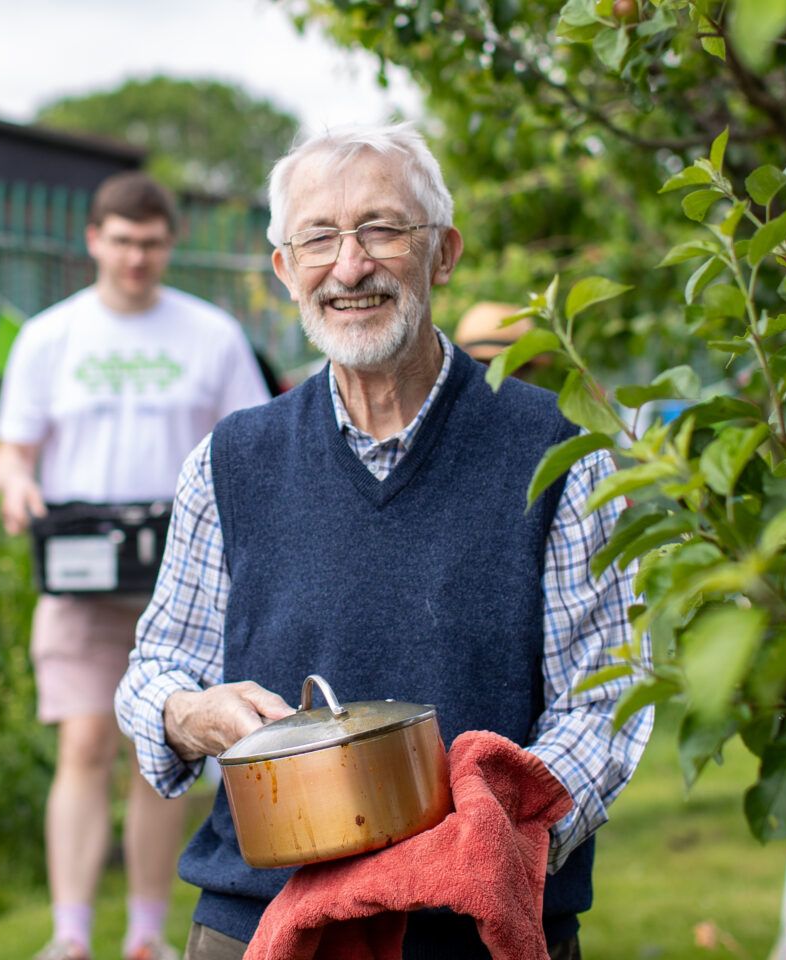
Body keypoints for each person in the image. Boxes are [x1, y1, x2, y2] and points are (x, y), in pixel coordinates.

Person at [115, 122, 653, 960]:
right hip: (259, 923)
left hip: (478, 925)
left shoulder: (553, 451)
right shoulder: (231, 460)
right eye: (319, 238)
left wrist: (487, 836)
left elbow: (608, 702)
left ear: (442, 253)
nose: (351, 264)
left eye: (381, 229)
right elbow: (154, 670)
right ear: (286, 271)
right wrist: (191, 715)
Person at [0, 172, 270, 960]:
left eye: (150, 243)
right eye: (121, 241)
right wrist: (16, 487)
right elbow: (11, 451)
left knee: (165, 751)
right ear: (93, 239)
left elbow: (249, 444)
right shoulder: (49, 336)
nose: (136, 258)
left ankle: (147, 933)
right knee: (82, 743)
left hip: (182, 577)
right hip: (78, 571)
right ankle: (70, 933)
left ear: (169, 244)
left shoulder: (211, 335)